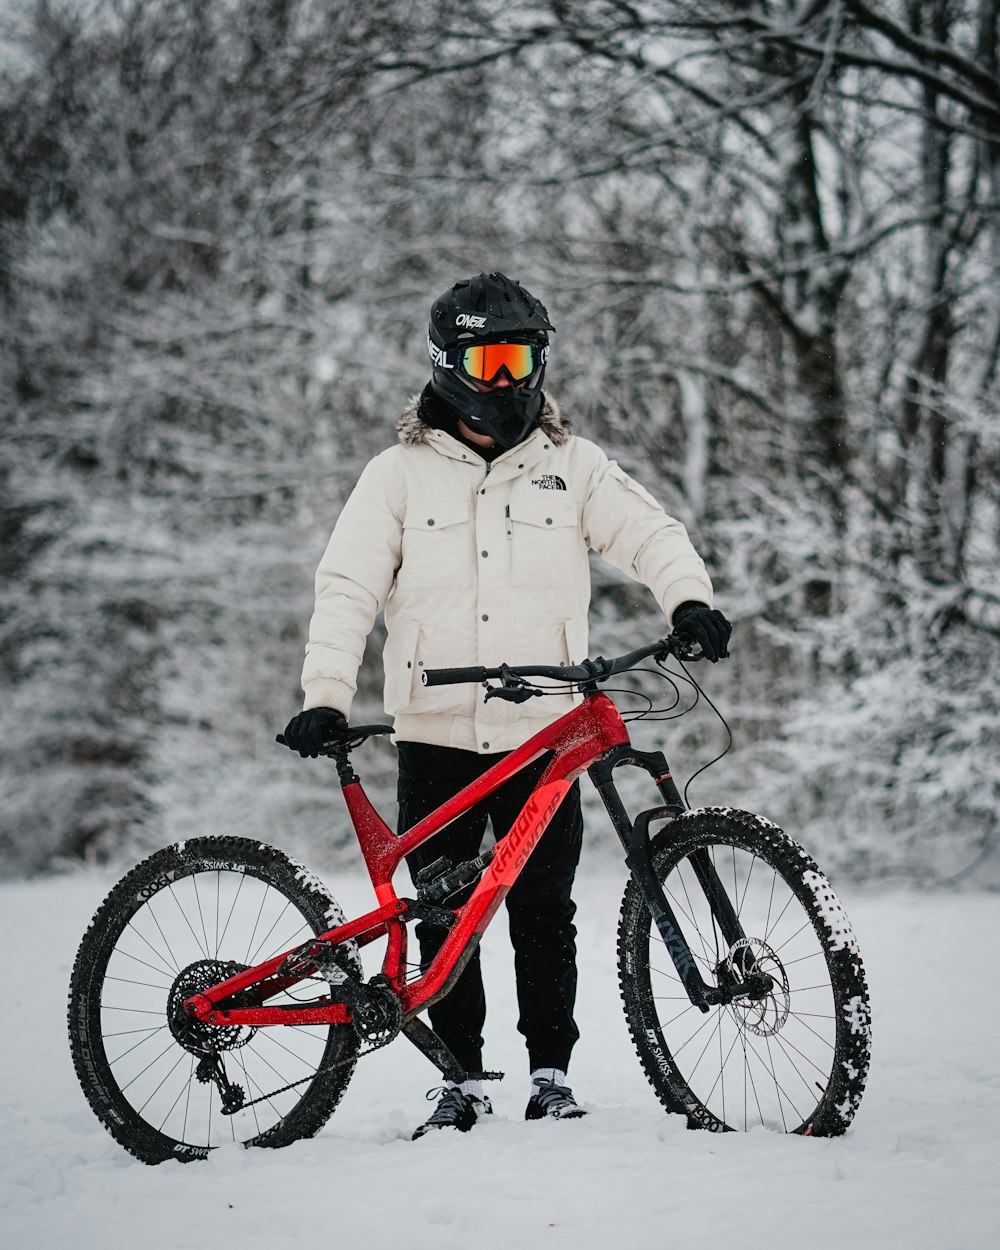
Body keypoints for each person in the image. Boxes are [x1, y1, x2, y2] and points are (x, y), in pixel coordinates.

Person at [282, 271, 731, 1139]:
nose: (507, 381)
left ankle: (551, 1073)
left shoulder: (574, 466)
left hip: (543, 727)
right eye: (488, 359)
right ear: (449, 363)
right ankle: (459, 1080)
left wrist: (687, 600)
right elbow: (347, 589)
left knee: (542, 908)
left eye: (522, 359)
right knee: (446, 914)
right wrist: (325, 695)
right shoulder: (397, 476)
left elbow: (653, 532)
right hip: (436, 728)